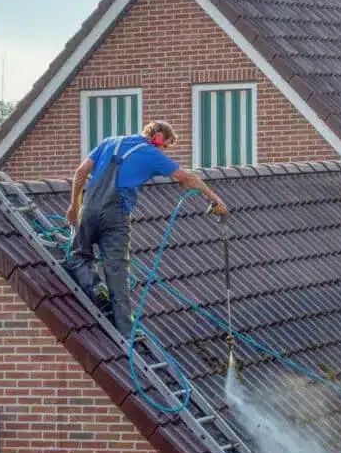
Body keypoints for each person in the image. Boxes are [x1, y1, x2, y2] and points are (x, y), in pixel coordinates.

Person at [65, 120, 228, 337]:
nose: (164, 151)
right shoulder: (151, 154)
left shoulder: (109, 142)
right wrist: (215, 199)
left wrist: (74, 206)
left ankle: (94, 287)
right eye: (165, 146)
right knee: (117, 271)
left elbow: (81, 172)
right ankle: (125, 330)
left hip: (89, 208)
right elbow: (188, 178)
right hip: (116, 215)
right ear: (158, 139)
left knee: (78, 255)